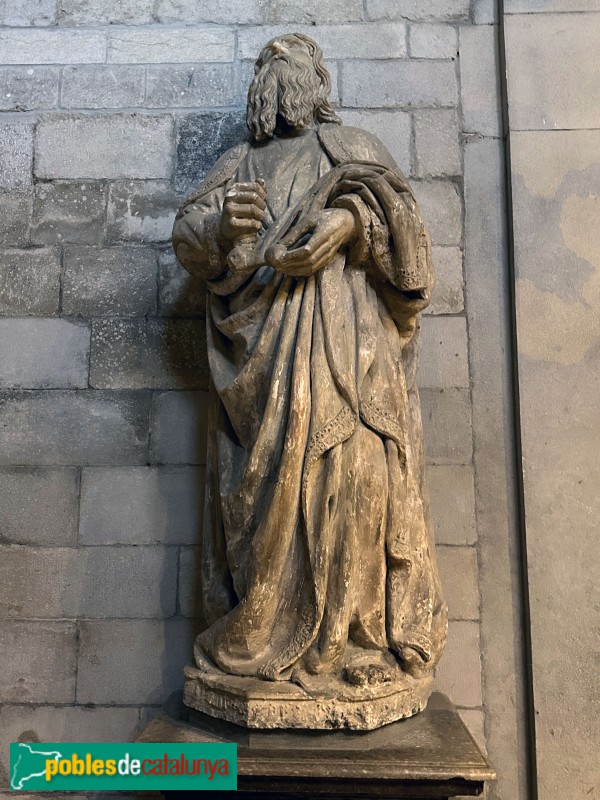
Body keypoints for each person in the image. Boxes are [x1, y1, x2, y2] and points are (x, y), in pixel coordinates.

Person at [172, 33, 447, 699]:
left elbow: (411, 242)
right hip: (270, 366)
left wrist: (353, 223)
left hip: (352, 356)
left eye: (296, 59)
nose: (282, 65)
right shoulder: (239, 161)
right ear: (259, 87)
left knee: (359, 483)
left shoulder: (356, 149)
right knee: (274, 498)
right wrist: (220, 228)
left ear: (319, 81)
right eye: (270, 60)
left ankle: (360, 638)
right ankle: (268, 633)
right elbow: (189, 237)